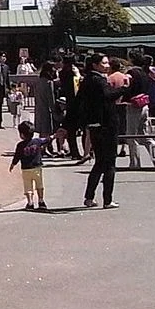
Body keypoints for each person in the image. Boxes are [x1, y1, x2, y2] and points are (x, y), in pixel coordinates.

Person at [81, 54, 124, 210]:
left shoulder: (87, 79)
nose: (107, 65)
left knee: (99, 162)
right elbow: (107, 96)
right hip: (107, 125)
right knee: (110, 163)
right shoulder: (98, 80)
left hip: (94, 124)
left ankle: (89, 197)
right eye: (103, 63)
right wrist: (123, 90)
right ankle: (108, 199)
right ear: (95, 65)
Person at [9, 120, 53, 211]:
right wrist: (54, 136)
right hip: (37, 168)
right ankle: (41, 201)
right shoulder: (37, 141)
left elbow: (17, 156)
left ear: (22, 135)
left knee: (28, 186)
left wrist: (13, 164)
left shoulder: (20, 145)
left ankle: (30, 203)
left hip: (26, 169)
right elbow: (46, 140)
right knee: (39, 185)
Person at [57, 56, 84, 160]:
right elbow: (78, 84)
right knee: (75, 129)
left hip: (69, 102)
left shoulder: (62, 73)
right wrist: (78, 74)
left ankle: (72, 150)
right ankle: (75, 152)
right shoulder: (72, 73)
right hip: (76, 102)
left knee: (70, 129)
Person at [33, 61, 58, 152]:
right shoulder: (48, 82)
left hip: (39, 107)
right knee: (46, 130)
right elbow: (50, 97)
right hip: (46, 108)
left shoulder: (39, 81)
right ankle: (44, 148)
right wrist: (54, 109)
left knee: (42, 130)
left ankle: (44, 147)